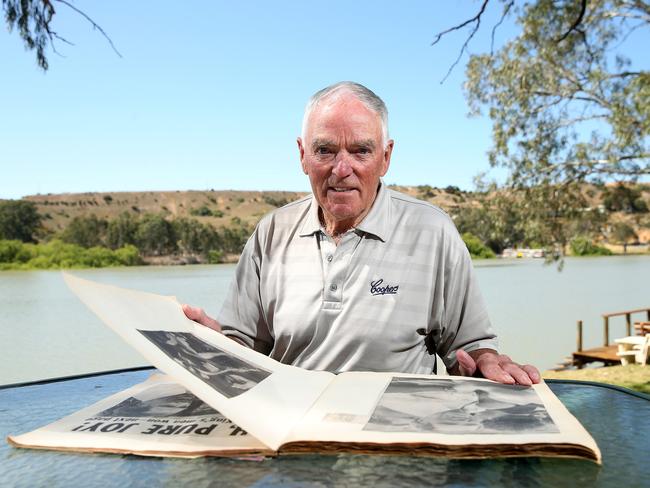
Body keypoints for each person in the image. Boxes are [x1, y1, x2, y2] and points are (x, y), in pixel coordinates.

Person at [184, 81, 539, 386]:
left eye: (361, 151)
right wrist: (213, 343)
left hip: (396, 448)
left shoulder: (433, 232)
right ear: (303, 155)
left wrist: (486, 363)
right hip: (294, 449)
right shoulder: (271, 232)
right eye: (325, 150)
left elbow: (470, 346)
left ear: (386, 157)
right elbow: (242, 349)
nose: (342, 169)